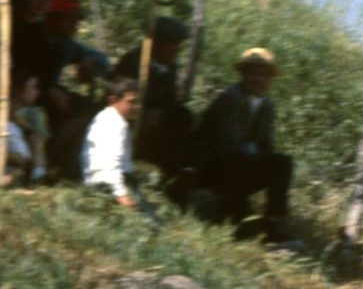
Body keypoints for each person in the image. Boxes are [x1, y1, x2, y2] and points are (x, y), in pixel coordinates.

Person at [191, 47, 294, 233]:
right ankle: (234, 216)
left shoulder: (266, 106)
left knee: (282, 163)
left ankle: (273, 221)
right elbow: (226, 146)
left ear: (271, 79)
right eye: (254, 73)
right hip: (212, 168)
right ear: (243, 74)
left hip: (242, 166)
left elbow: (267, 146)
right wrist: (256, 153)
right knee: (239, 160)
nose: (259, 80)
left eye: (264, 75)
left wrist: (260, 155)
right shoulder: (229, 98)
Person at [109, 17, 193, 178]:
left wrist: (160, 113)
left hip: (155, 123)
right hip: (130, 123)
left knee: (182, 116)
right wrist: (142, 114)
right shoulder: (133, 62)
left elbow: (170, 101)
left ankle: (170, 173)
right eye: (173, 44)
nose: (176, 49)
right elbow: (120, 99)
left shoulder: (169, 67)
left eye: (178, 44)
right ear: (157, 43)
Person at [83, 77, 156, 222]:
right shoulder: (113, 123)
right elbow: (110, 163)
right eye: (131, 102)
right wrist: (121, 194)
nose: (137, 107)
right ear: (113, 100)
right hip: (104, 185)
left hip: (108, 182)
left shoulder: (115, 120)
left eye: (138, 102)